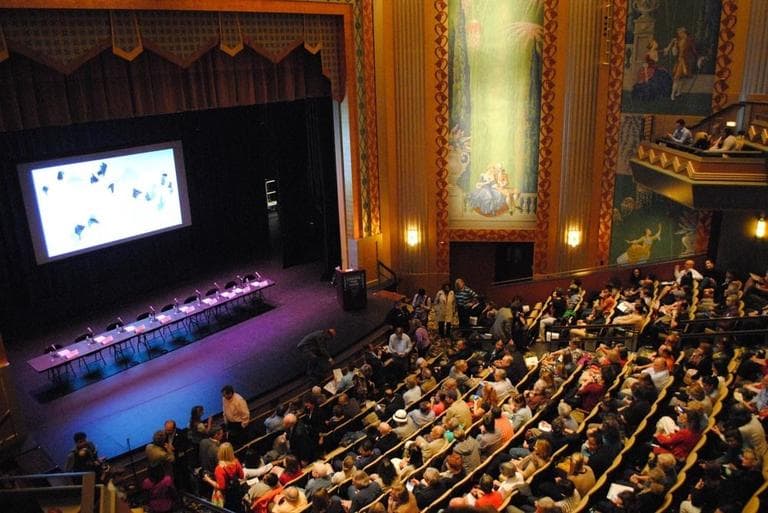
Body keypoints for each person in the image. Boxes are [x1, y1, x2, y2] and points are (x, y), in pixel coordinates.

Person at [210, 442, 245, 512]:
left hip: (227, 495)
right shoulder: (236, 462)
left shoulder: (219, 469)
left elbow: (221, 487)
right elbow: (242, 476)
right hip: (236, 490)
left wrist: (208, 480)